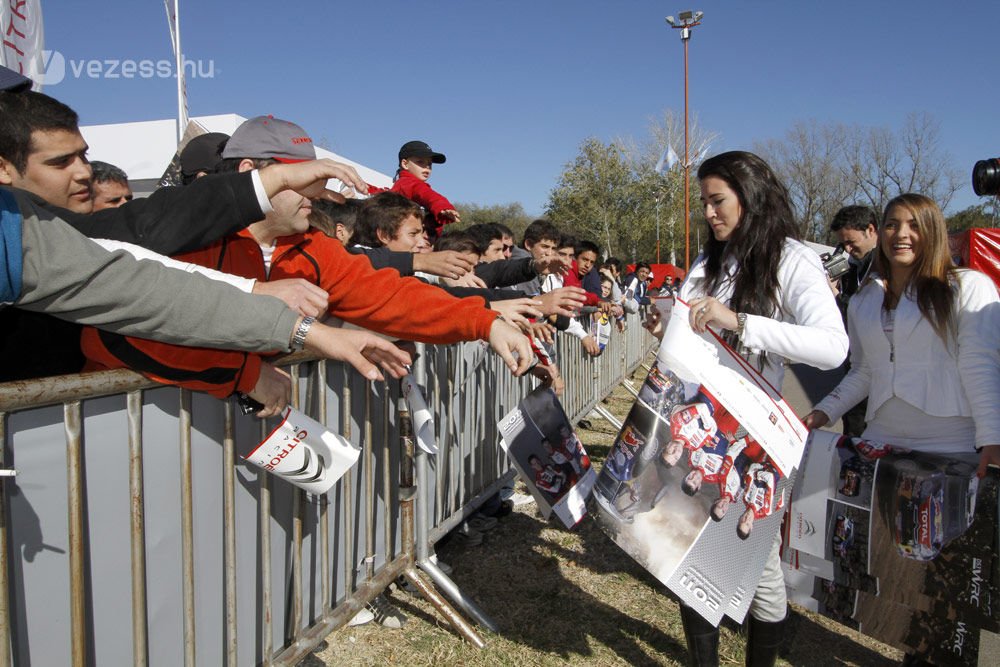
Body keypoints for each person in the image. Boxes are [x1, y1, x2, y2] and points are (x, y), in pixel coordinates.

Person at [81, 116, 533, 415]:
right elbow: (120, 327)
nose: (316, 192)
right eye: (302, 178)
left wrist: (483, 322)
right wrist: (243, 372)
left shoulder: (311, 244)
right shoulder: (185, 232)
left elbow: (387, 293)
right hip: (120, 425)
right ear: (251, 173)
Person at [663, 151, 847, 666]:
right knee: (690, 553)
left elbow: (834, 346)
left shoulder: (791, 258)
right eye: (704, 203)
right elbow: (692, 323)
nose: (709, 213)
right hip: (700, 417)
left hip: (756, 437)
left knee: (757, 566)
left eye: (718, 201)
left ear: (751, 196)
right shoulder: (709, 260)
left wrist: (742, 322)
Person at [805, 192, 1000, 474]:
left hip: (953, 445)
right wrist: (821, 413)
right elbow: (864, 370)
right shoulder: (863, 299)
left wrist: (993, 437)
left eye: (914, 225)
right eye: (892, 224)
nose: (901, 234)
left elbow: (980, 364)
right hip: (880, 440)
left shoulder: (967, 287)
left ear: (933, 232)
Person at [828, 205, 880, 437]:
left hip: (880, 366)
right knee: (853, 427)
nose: (848, 249)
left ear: (870, 230)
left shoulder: (887, 266)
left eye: (851, 242)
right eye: (843, 244)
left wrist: (838, 296)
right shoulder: (851, 267)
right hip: (855, 360)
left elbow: (872, 311)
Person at [388, 140, 460, 238]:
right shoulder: (408, 183)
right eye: (420, 162)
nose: (427, 167)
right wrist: (442, 206)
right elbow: (427, 195)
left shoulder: (402, 184)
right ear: (405, 164)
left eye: (429, 164)